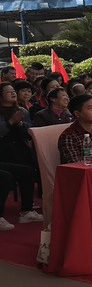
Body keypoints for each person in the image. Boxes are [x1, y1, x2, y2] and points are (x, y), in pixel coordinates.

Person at [0, 82, 42, 223]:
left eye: (13, 91)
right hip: (3, 149)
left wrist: (21, 125)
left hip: (20, 147)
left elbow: (29, 133)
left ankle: (27, 209)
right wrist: (11, 121)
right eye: (8, 91)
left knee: (29, 167)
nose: (13, 93)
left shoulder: (22, 111)